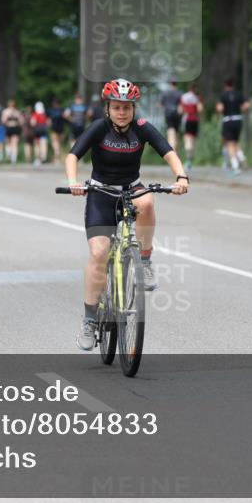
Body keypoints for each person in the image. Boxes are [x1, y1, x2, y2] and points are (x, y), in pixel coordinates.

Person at [65, 78, 189, 351]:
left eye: (127, 107)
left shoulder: (142, 128)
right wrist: (73, 182)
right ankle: (89, 321)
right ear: (108, 108)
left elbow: (168, 152)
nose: (122, 112)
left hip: (131, 188)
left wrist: (181, 176)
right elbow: (73, 156)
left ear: (134, 108)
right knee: (99, 253)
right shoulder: (99, 128)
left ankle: (144, 260)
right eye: (117, 107)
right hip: (100, 192)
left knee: (148, 202)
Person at [216, 78, 250, 175]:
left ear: (225, 86)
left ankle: (235, 166)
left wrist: (222, 110)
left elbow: (220, 108)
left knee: (229, 144)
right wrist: (240, 109)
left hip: (228, 120)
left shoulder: (223, 95)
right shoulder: (238, 94)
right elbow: (247, 106)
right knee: (235, 141)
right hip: (238, 119)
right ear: (233, 85)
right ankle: (241, 156)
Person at [179, 84, 203, 169]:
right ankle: (190, 159)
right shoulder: (197, 98)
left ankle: (188, 158)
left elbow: (180, 110)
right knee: (193, 140)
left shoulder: (184, 97)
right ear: (195, 89)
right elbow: (200, 109)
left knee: (187, 139)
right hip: (195, 120)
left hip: (187, 119)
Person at [160, 81, 183, 150]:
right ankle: (176, 151)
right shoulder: (180, 93)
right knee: (176, 133)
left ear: (170, 84)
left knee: (171, 132)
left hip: (168, 114)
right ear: (177, 84)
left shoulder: (165, 93)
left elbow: (161, 104)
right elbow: (181, 105)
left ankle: (172, 150)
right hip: (177, 115)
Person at [2, 99, 24, 165]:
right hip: (15, 128)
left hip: (9, 127)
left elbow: (3, 121)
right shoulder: (17, 112)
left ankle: (9, 155)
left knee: (8, 143)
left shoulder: (6, 111)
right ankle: (13, 159)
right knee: (14, 144)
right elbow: (21, 121)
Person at [48, 98, 66, 163]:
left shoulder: (51, 110)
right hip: (61, 128)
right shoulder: (62, 110)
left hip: (54, 128)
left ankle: (57, 154)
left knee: (55, 142)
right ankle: (58, 155)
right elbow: (65, 118)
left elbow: (49, 121)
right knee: (59, 143)